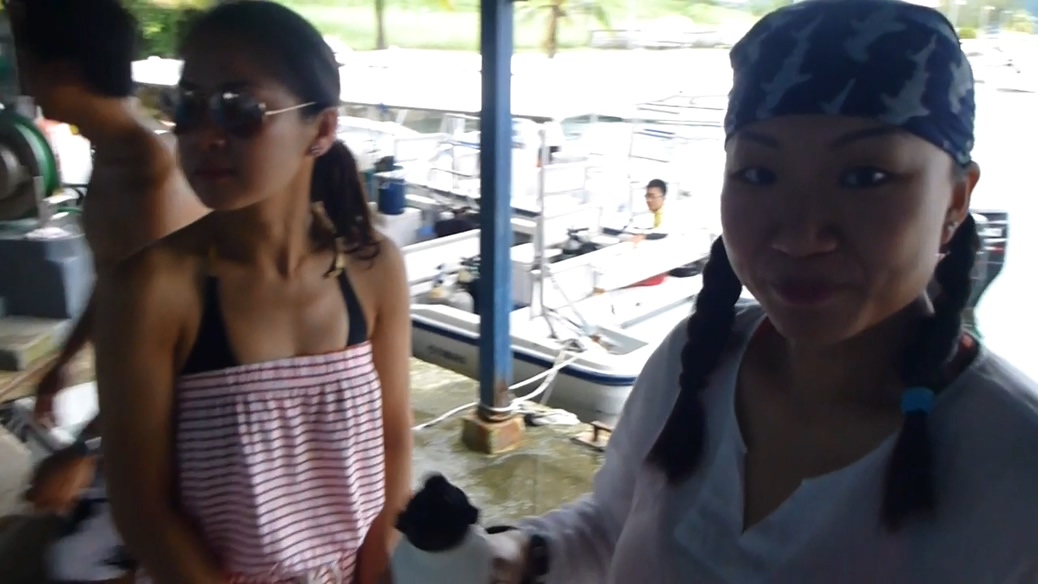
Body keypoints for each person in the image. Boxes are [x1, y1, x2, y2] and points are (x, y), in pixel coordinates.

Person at [491, 1, 1038, 582]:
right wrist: (524, 553)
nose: (800, 235)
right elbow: (610, 526)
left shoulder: (1016, 466)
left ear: (955, 201)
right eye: (758, 174)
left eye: (864, 177)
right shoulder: (693, 361)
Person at [92, 3, 413, 583]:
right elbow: (143, 508)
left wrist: (373, 572)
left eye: (239, 110)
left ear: (322, 130)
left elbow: (393, 442)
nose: (204, 136)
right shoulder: (151, 290)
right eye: (187, 106)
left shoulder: (372, 270)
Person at [7, 1, 206, 582]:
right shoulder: (111, 157)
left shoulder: (154, 177)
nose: (23, 79)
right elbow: (116, 281)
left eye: (26, 61)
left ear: (63, 70)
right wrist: (65, 360)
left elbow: (176, 356)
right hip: (125, 413)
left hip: (172, 433)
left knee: (70, 565)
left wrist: (87, 451)